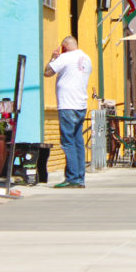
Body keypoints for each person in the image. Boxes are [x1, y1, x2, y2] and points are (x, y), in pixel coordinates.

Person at [44, 36, 93, 188]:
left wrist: (53, 58)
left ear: (64, 46)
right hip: (81, 104)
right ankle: (80, 177)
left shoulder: (65, 57)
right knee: (78, 141)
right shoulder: (86, 58)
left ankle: (72, 178)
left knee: (68, 142)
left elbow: (47, 72)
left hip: (67, 104)